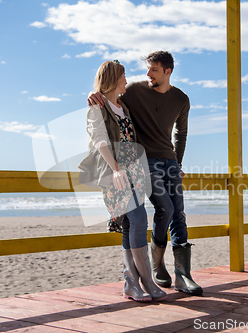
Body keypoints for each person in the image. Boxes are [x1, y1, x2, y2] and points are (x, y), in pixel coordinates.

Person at [88, 51, 203, 296]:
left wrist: (178, 163)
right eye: (147, 69)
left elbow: (180, 135)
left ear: (168, 71)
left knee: (171, 215)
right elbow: (101, 126)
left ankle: (176, 276)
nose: (146, 74)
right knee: (157, 212)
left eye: (154, 70)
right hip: (134, 167)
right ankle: (151, 270)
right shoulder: (130, 93)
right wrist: (93, 93)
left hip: (155, 166)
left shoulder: (176, 100)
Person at [83, 60, 167, 302]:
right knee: (139, 218)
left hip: (133, 173)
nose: (127, 80)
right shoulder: (96, 107)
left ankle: (132, 283)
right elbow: (100, 140)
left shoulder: (123, 106)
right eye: (123, 76)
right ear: (112, 78)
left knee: (130, 224)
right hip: (114, 174)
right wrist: (116, 169)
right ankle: (146, 281)